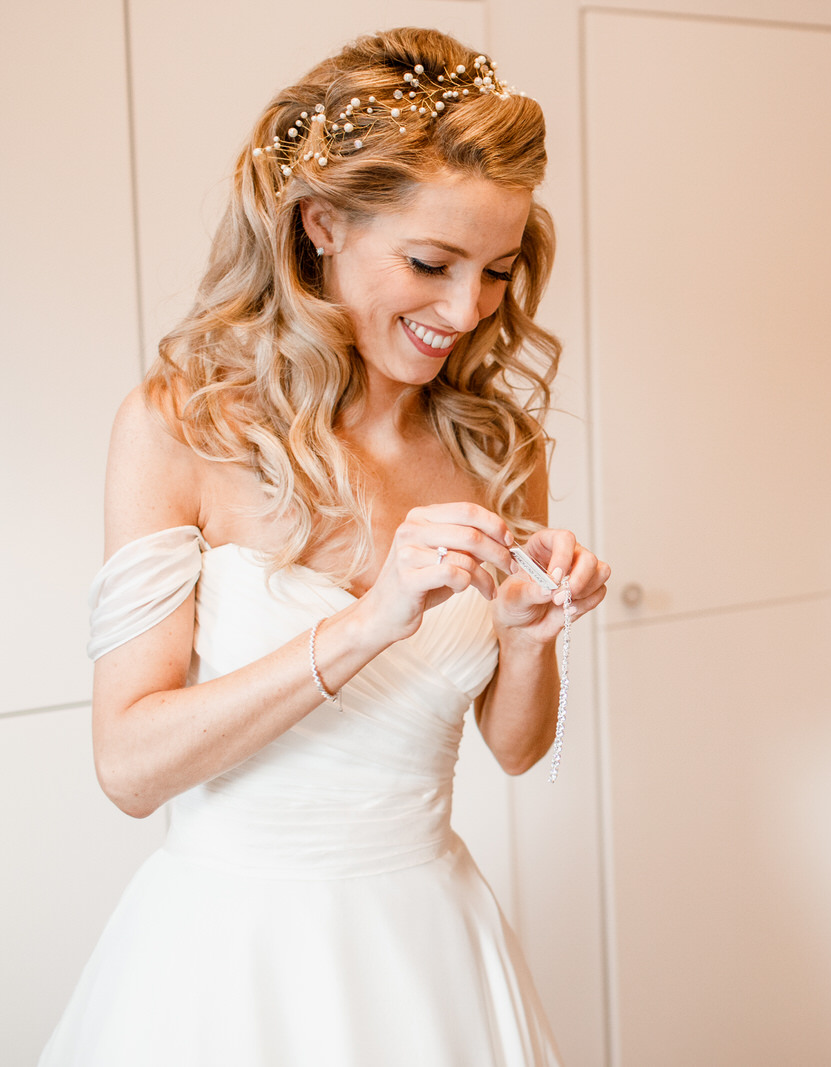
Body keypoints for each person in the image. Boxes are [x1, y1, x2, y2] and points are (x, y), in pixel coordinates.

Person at [39, 28, 605, 1066]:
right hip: (227, 961)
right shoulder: (181, 429)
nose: (465, 310)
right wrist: (369, 621)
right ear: (321, 223)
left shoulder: (497, 444)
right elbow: (128, 765)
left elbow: (519, 751)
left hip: (429, 945)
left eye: (495, 270)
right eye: (430, 263)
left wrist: (530, 635)